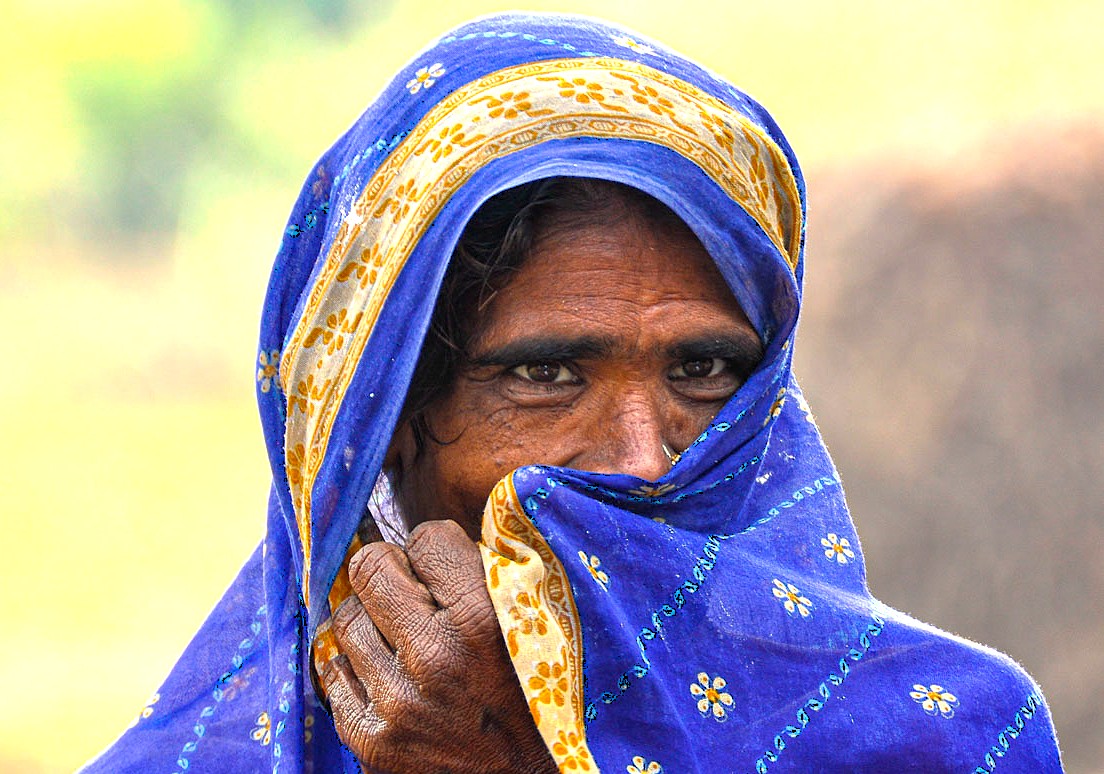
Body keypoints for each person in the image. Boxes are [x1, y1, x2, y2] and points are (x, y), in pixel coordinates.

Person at [83, 12, 1064, 773]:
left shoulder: (941, 734)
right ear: (380, 422)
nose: (643, 454)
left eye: (704, 371)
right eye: (545, 376)